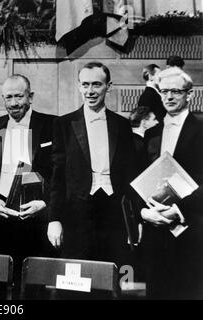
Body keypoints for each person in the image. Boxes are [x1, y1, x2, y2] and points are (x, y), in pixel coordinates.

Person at [47, 61, 138, 268]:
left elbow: (131, 174)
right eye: (85, 84)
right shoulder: (63, 124)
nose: (90, 91)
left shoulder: (122, 125)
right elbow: (57, 176)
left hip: (114, 210)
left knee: (112, 270)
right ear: (79, 86)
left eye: (96, 84)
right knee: (77, 274)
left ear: (109, 86)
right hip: (76, 211)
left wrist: (134, 220)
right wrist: (54, 219)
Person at [0, 74, 57, 284]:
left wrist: (44, 203)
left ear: (30, 97)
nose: (13, 103)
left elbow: (60, 173)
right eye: (8, 98)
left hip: (36, 216)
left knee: (33, 282)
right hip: (0, 214)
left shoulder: (52, 125)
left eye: (19, 97)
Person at [141, 67, 203, 299]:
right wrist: (144, 213)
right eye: (164, 91)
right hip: (155, 228)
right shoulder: (152, 133)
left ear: (190, 94)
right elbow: (141, 179)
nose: (169, 96)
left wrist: (179, 210)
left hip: (192, 228)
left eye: (176, 91)